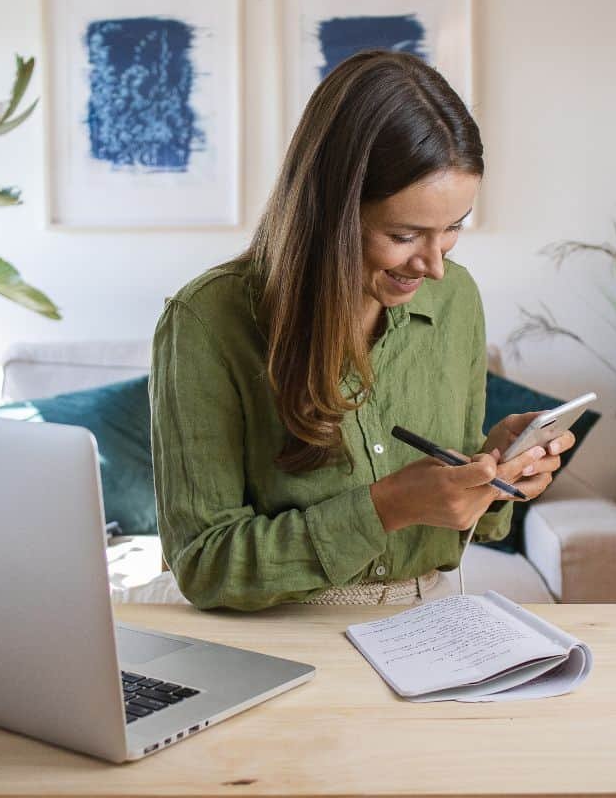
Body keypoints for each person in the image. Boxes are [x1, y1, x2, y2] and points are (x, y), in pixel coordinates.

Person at [146, 51, 574, 611]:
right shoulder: (208, 320)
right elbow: (205, 565)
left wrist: (491, 474)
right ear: (329, 214)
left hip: (427, 620)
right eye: (403, 234)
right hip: (275, 635)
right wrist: (386, 506)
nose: (434, 265)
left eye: (453, 228)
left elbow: (458, 530)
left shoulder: (455, 301)